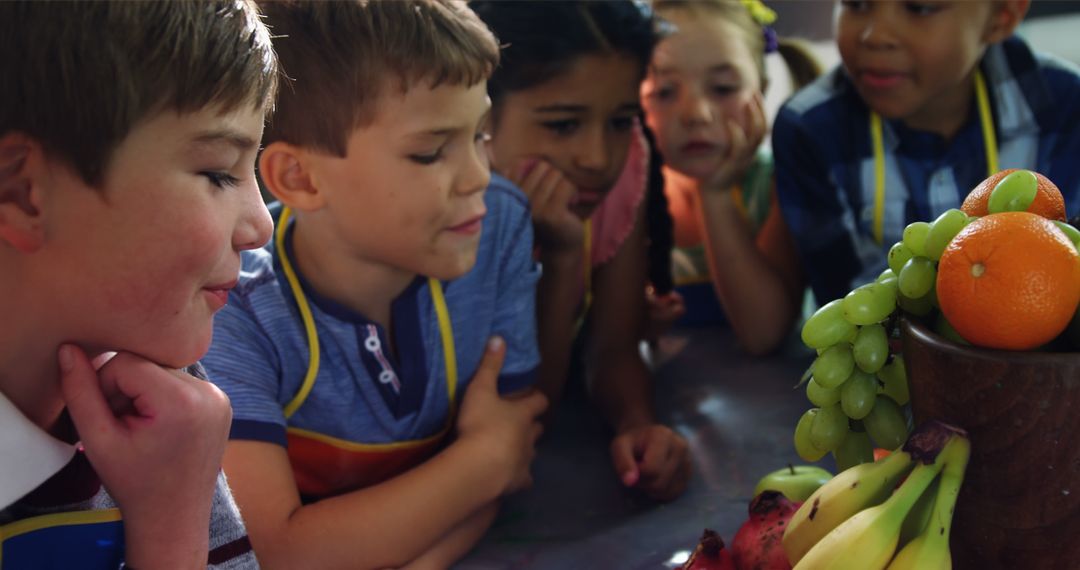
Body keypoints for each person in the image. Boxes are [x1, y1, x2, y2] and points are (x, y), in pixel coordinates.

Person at [200, 1, 548, 568]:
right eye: (431, 152)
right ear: (300, 178)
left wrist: (488, 472)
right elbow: (277, 550)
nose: (480, 176)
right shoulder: (233, 305)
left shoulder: (498, 225)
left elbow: (519, 457)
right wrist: (480, 461)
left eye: (481, 135)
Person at [0, 1, 277, 568]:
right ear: (24, 193)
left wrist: (174, 515)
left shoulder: (168, 410)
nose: (261, 226)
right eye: (219, 173)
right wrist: (171, 534)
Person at [471, 0, 691, 502]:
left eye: (620, 121)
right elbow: (530, 408)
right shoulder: (449, 205)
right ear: (481, 113)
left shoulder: (621, 170)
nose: (597, 158)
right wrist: (562, 259)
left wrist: (637, 425)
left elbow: (614, 345)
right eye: (563, 124)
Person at [773, 0, 1080, 305]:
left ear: (1001, 17)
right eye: (856, 4)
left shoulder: (1067, 108)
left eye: (919, 8)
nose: (875, 36)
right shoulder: (808, 129)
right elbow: (847, 307)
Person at [640, 0, 821, 355]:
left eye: (722, 88)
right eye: (664, 92)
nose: (696, 114)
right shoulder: (631, 200)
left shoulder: (780, 186)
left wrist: (716, 195)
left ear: (762, 91)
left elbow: (763, 334)